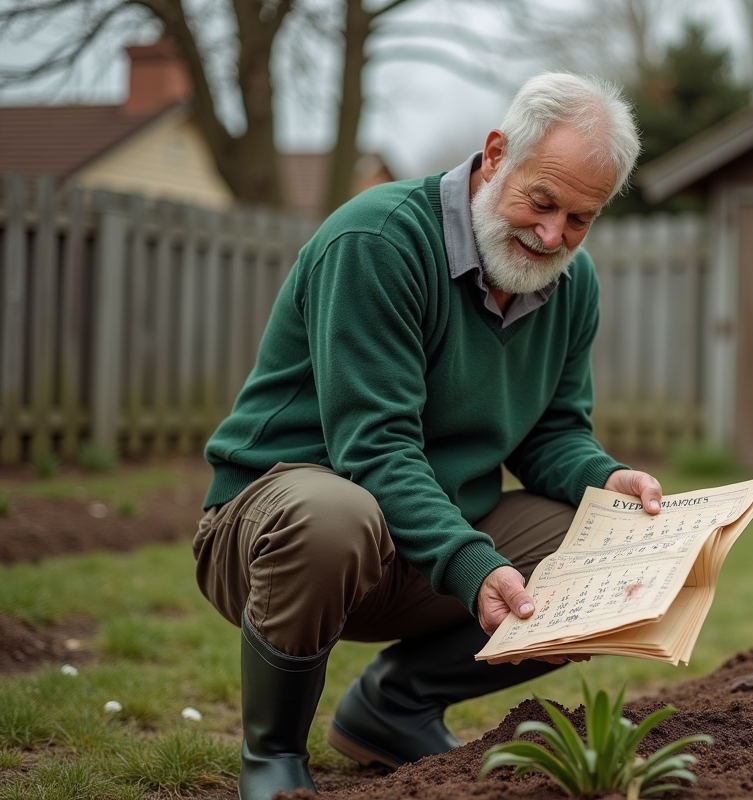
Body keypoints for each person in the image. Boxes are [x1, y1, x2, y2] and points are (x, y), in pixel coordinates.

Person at [191, 72, 664, 800]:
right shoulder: (378, 241)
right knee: (334, 515)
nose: (553, 236)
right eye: (542, 202)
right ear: (497, 152)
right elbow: (374, 449)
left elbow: (550, 437)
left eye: (580, 219)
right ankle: (274, 754)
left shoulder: (573, 285)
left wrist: (608, 481)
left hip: (418, 538)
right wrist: (472, 563)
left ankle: (393, 706)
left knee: (609, 545)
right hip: (277, 533)